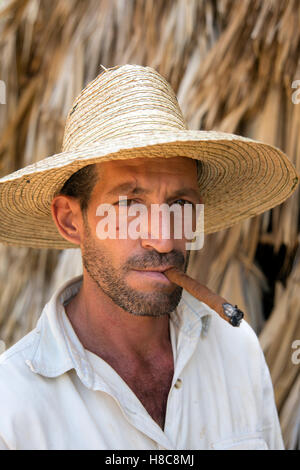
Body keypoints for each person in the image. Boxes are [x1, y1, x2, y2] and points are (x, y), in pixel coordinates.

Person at [0, 64, 298, 450]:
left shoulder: (236, 351)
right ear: (71, 221)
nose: (162, 239)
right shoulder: (14, 407)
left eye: (179, 203)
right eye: (128, 204)